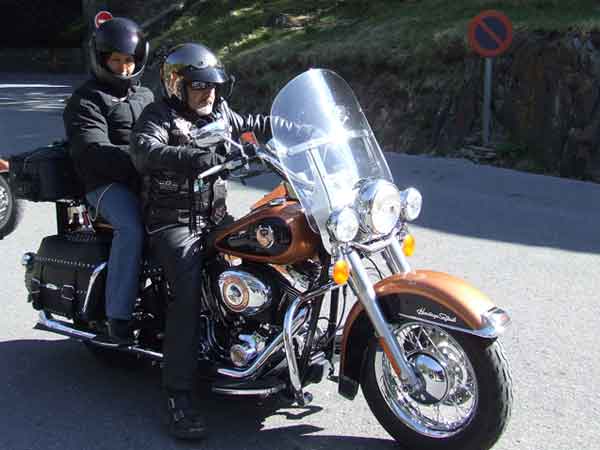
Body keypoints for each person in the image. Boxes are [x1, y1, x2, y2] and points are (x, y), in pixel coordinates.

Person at [130, 42, 271, 440]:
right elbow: (144, 150)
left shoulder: (221, 112)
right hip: (172, 223)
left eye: (213, 85)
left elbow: (256, 123)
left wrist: (302, 129)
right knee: (187, 293)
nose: (209, 93)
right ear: (177, 85)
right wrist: (195, 157)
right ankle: (178, 395)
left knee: (267, 251)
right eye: (199, 86)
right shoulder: (159, 115)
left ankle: (255, 347)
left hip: (214, 219)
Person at [63, 17, 154, 344]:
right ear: (102, 59)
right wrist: (146, 161)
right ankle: (119, 315)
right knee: (132, 227)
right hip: (104, 184)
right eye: (116, 60)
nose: (124, 67)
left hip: (147, 177)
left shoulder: (146, 95)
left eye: (129, 60)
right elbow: (93, 151)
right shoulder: (86, 100)